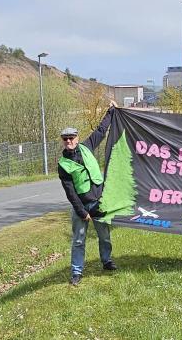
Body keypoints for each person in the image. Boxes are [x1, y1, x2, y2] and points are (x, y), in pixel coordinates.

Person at [58, 102, 117, 286]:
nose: (69, 141)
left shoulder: (87, 146)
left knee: (105, 236)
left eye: (71, 138)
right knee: (78, 241)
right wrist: (82, 212)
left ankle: (106, 261)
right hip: (81, 206)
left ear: (77, 138)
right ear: (63, 141)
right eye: (65, 138)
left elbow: (101, 130)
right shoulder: (63, 164)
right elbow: (70, 192)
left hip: (99, 201)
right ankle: (76, 272)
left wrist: (111, 111)